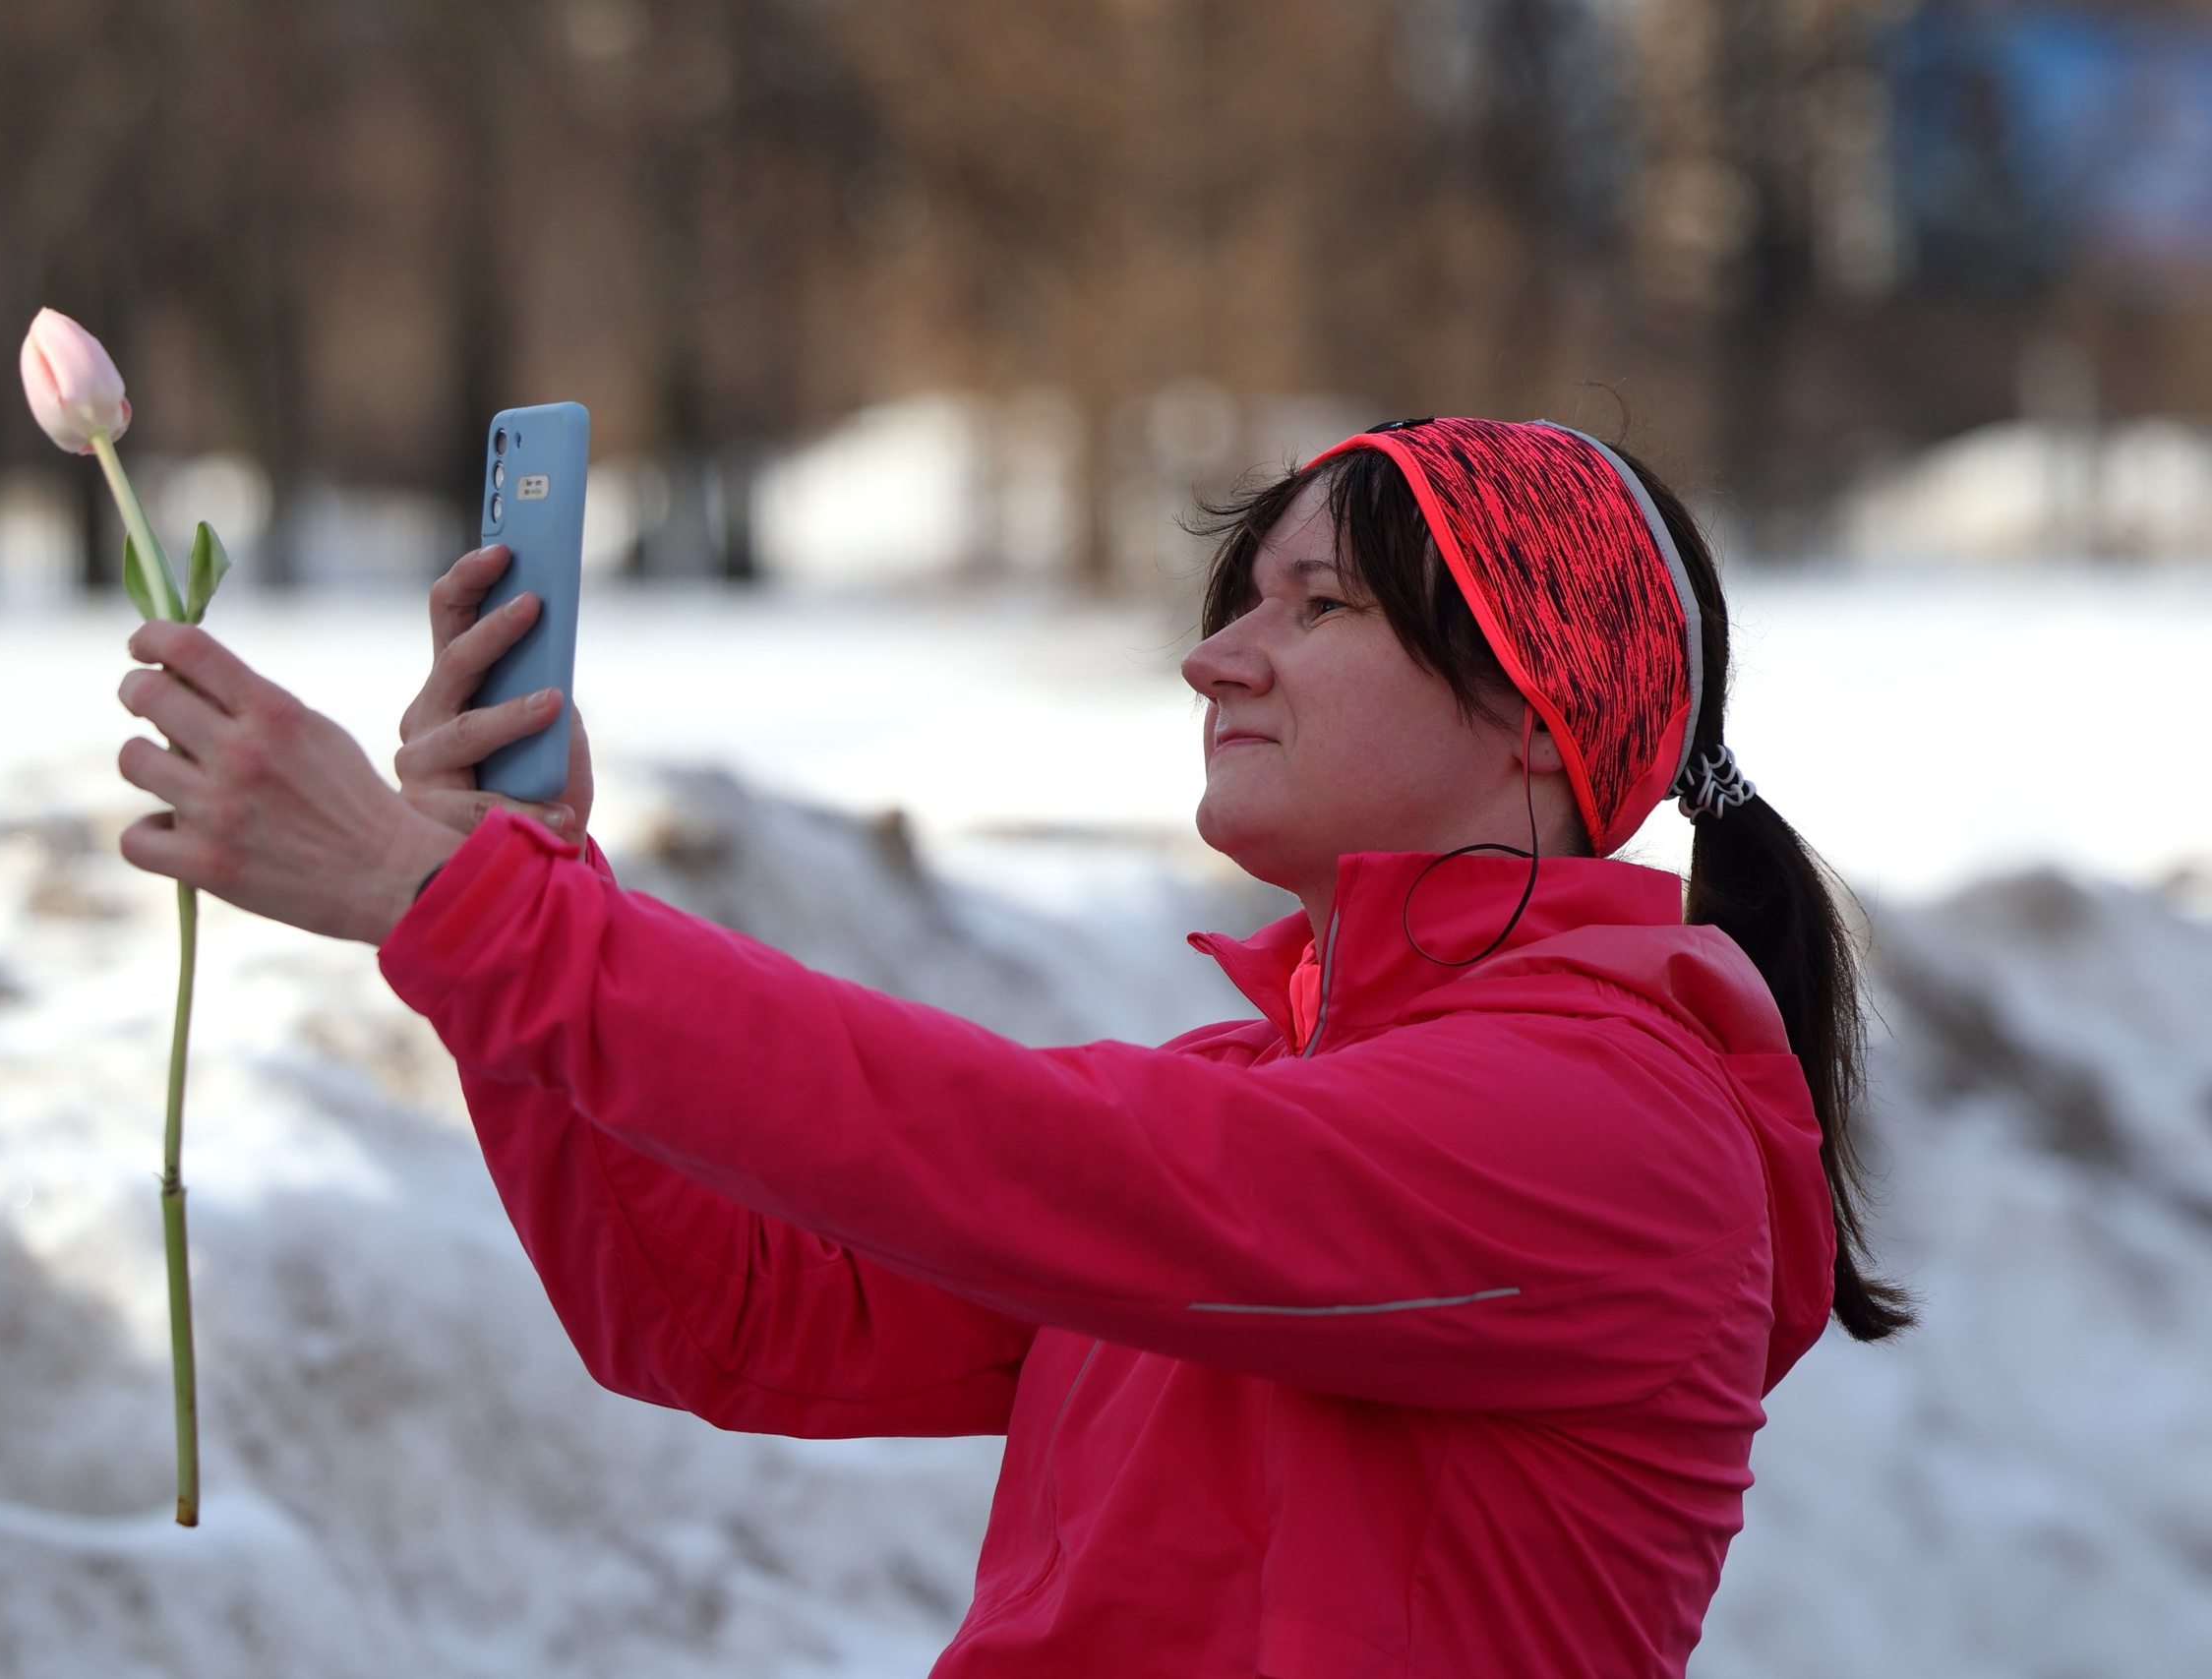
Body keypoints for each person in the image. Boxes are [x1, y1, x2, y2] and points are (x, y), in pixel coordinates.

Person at [112, 416, 1909, 1677]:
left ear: (1532, 717)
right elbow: (727, 1311)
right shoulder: (1275, 1101)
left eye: (1319, 606)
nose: (1219, 663)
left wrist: (461, 911)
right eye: (1239, 604)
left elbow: (1033, 1168)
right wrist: (512, 888)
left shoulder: (1601, 1129)